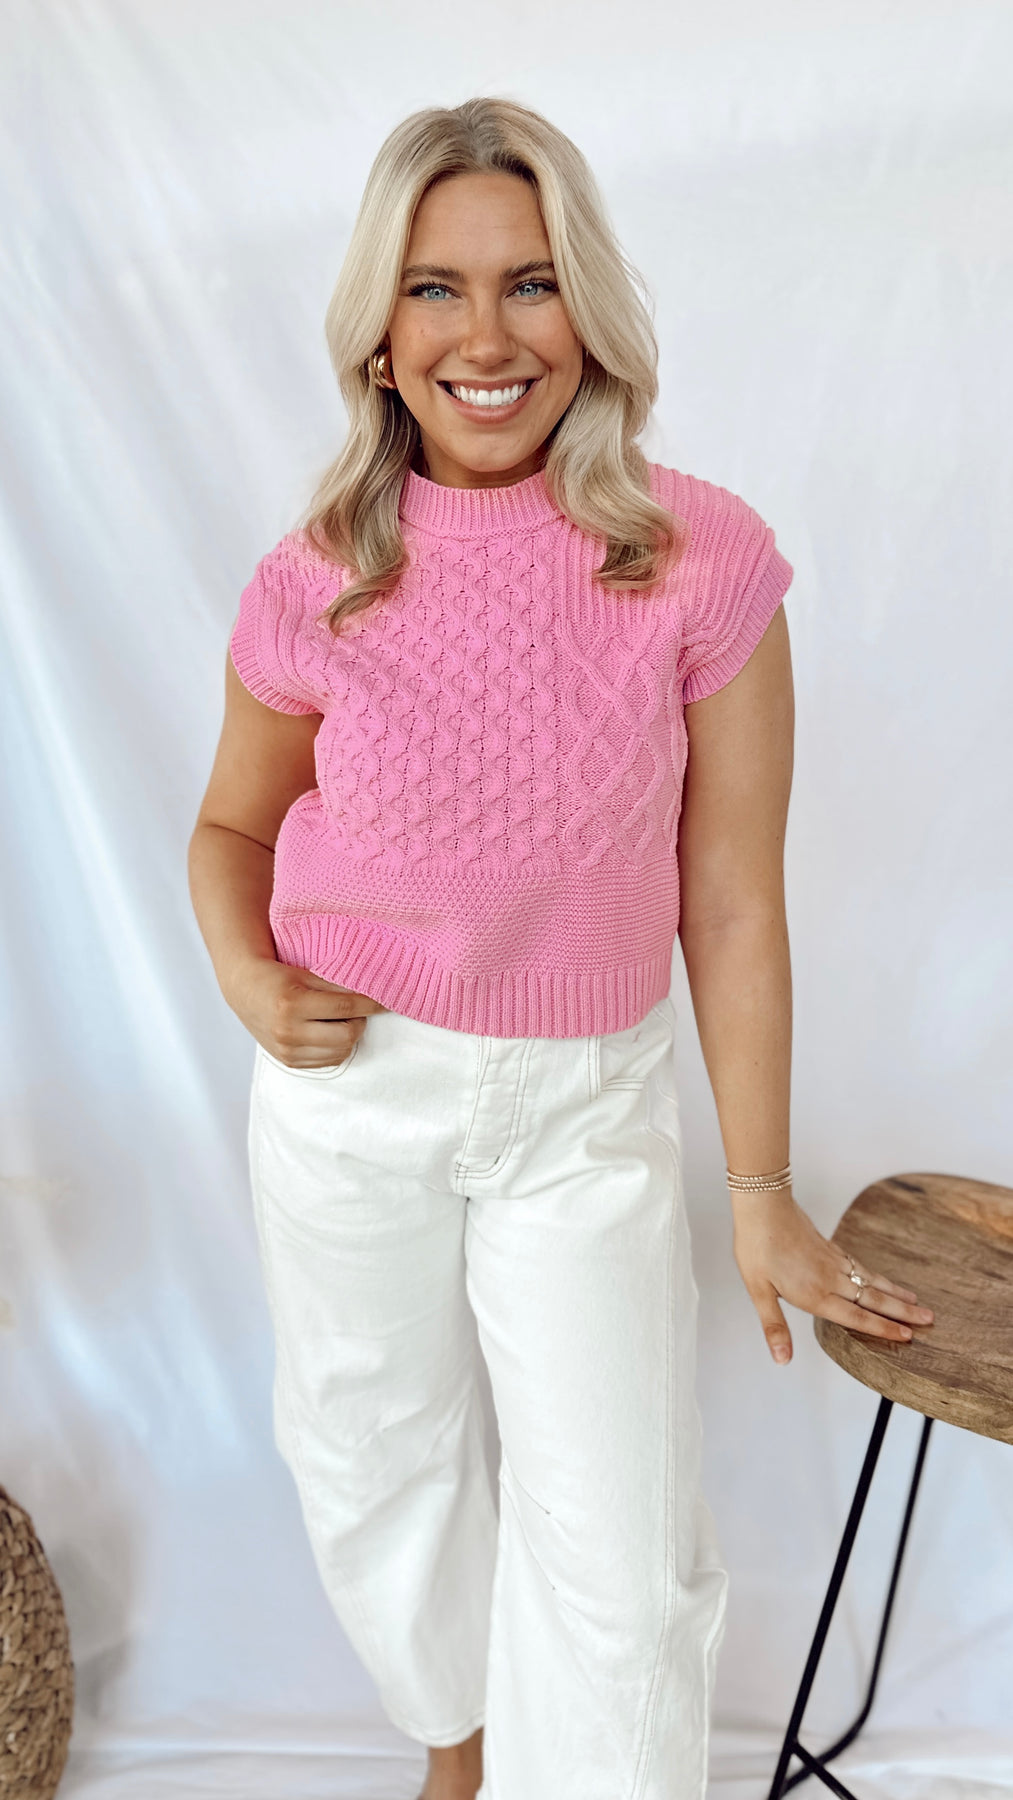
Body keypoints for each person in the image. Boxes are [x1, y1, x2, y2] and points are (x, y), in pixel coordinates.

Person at [188, 96, 933, 1800]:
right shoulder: (315, 576)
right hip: (347, 1095)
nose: (486, 336)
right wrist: (245, 976)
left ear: (586, 309)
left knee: (621, 1561)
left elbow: (729, 900)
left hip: (580, 1115)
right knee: (370, 1468)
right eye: (434, 289)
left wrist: (759, 1192)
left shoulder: (700, 559)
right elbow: (229, 830)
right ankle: (458, 1752)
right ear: (378, 338)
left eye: (529, 283)